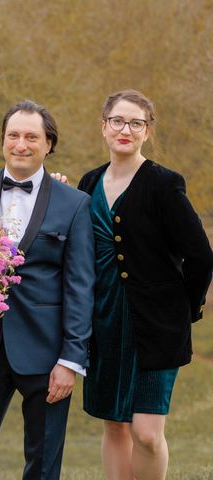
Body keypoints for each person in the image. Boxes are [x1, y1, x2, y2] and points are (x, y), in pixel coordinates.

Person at [78, 89, 213, 480]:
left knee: (147, 433)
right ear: (103, 126)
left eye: (136, 123)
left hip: (157, 326)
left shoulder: (164, 184)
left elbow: (202, 256)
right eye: (118, 121)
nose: (126, 129)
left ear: (147, 132)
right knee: (113, 424)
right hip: (103, 321)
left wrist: (184, 309)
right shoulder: (88, 183)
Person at [0, 100, 96, 480]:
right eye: (13, 135)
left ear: (48, 143)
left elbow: (81, 286)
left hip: (47, 352)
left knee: (43, 461)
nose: (21, 144)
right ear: (2, 141)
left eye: (31, 136)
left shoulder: (75, 203)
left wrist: (71, 360)